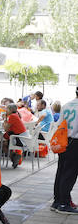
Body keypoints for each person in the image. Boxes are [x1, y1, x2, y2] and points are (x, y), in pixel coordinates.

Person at [51, 86, 78, 214]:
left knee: (61, 171)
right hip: (75, 141)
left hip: (64, 140)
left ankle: (57, 201)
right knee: (70, 174)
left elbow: (60, 125)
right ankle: (63, 204)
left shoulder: (67, 105)